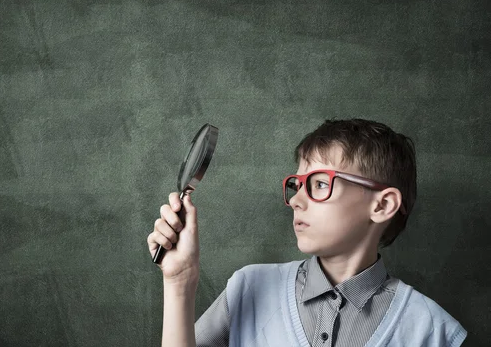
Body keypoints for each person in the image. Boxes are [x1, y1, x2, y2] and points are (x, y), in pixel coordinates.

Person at [147, 118, 467, 347]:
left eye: (319, 184)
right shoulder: (247, 287)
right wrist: (179, 283)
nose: (296, 201)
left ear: (382, 205)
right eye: (296, 186)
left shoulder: (431, 330)